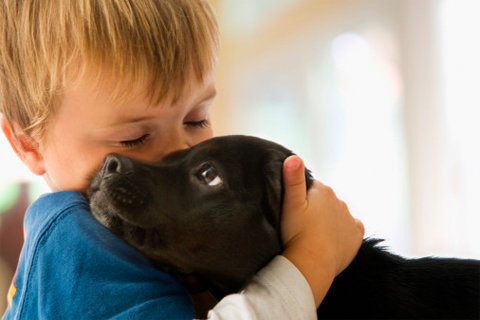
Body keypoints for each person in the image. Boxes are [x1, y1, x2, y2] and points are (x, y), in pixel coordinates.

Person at [0, 0, 364, 319]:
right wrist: (313, 257)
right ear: (28, 144)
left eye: (196, 119)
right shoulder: (78, 243)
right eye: (133, 138)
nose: (179, 156)